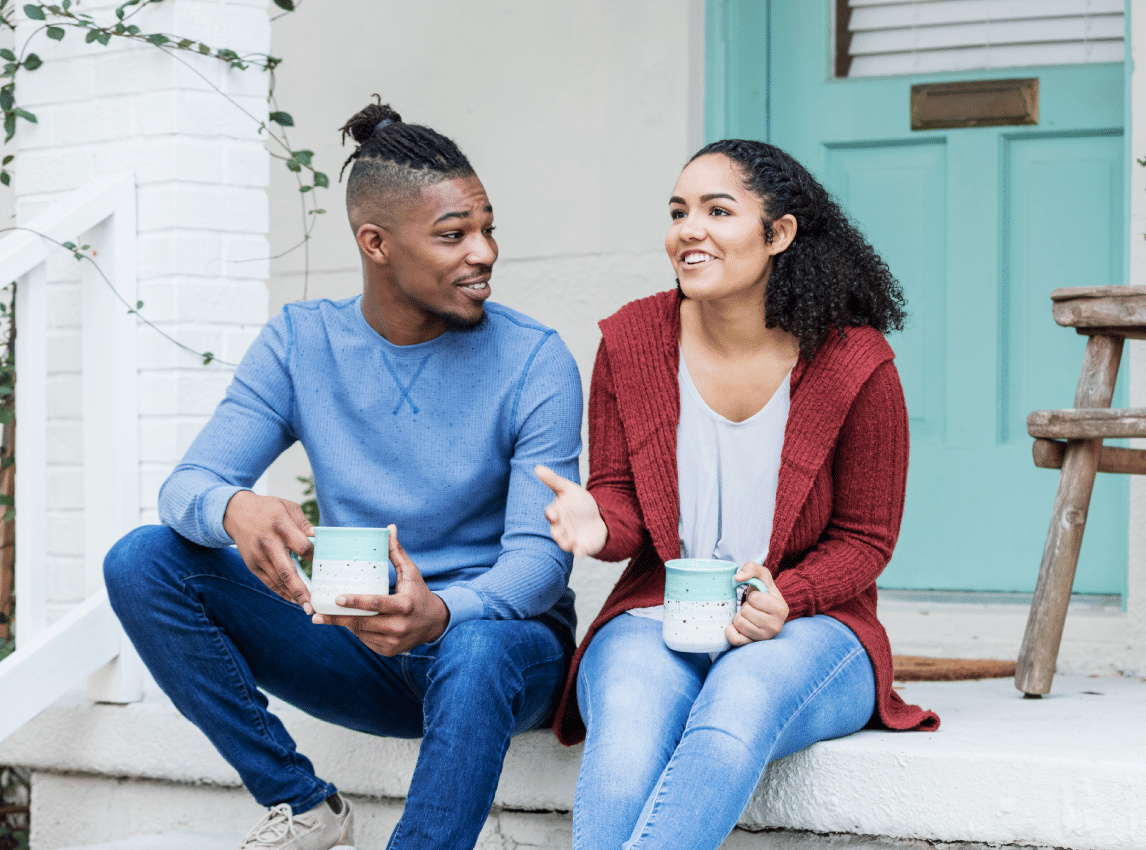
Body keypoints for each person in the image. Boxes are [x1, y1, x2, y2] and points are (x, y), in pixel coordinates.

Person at [103, 100, 583, 850]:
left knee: (478, 648)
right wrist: (232, 507)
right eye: (454, 234)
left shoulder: (535, 360)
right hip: (357, 642)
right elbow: (187, 485)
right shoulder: (301, 343)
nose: (484, 252)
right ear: (376, 243)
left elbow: (540, 565)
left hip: (498, 652)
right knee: (144, 560)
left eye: (488, 228)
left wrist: (445, 613)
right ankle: (302, 807)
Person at [535, 140, 940, 850]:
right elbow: (623, 499)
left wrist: (793, 594)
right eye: (678, 211)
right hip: (662, 609)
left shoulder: (855, 364)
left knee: (734, 707)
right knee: (626, 733)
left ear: (778, 233)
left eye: (718, 210)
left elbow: (866, 540)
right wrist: (600, 524)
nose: (688, 229)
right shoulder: (631, 341)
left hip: (809, 626)